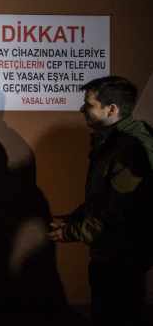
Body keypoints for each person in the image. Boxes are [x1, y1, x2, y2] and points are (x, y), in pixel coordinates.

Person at [48, 76, 153, 326]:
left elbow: (118, 212)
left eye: (89, 104)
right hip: (112, 252)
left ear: (111, 109)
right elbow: (103, 197)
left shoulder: (129, 148)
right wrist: (73, 219)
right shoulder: (112, 140)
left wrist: (71, 232)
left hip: (122, 256)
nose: (82, 109)